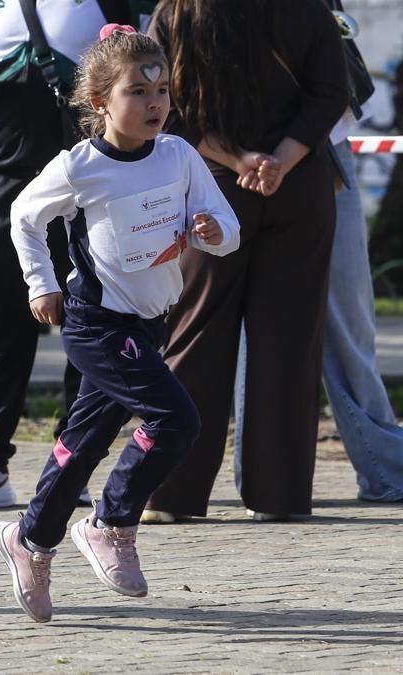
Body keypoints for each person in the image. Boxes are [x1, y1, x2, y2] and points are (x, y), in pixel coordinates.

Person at [0, 25, 240, 623]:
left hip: (151, 324)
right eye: (138, 91)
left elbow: (227, 230)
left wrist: (213, 233)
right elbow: (24, 216)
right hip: (97, 323)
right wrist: (42, 286)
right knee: (176, 418)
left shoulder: (180, 154)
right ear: (101, 103)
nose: (155, 103)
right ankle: (109, 523)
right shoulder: (80, 167)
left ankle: (29, 540)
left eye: (163, 90)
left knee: (82, 444)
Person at [142, 0, 347, 523]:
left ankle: (171, 492)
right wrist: (279, 160)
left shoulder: (179, 12)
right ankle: (280, 496)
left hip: (212, 186)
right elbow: (330, 96)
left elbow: (166, 104)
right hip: (298, 187)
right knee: (289, 344)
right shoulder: (308, 10)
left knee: (195, 335)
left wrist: (238, 160)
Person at [0, 0, 140, 511]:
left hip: (88, 186)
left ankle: (75, 462)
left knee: (89, 328)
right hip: (0, 179)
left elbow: (148, 57)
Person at [232, 2, 403, 503]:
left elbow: (334, 82)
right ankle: (265, 481)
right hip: (250, 156)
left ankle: (385, 466)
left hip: (321, 149)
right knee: (257, 325)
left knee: (349, 318)